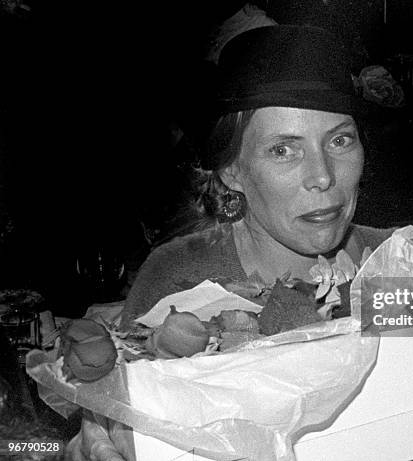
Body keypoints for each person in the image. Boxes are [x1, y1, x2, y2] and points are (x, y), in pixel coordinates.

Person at [67, 25, 393, 461]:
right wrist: (93, 436)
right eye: (283, 149)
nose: (323, 176)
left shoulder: (401, 262)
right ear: (232, 171)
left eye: (339, 140)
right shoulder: (180, 277)